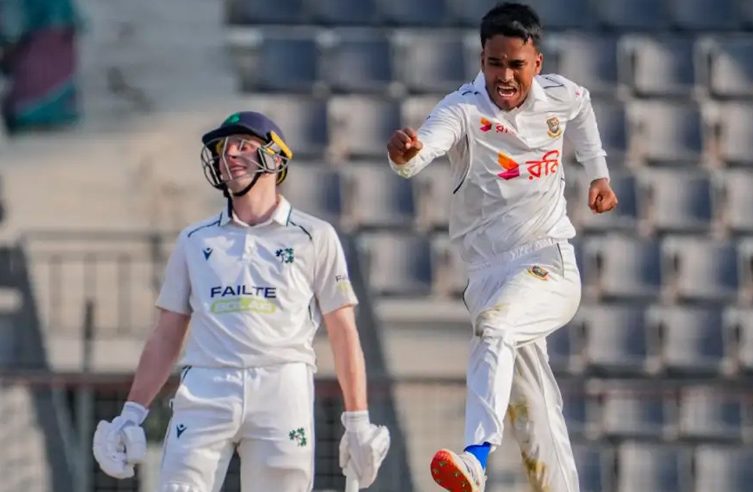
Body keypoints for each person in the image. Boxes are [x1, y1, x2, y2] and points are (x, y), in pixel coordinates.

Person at [92, 111, 390, 491]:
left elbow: (343, 331)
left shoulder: (315, 236)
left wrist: (358, 419)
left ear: (276, 159)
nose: (229, 154)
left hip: (282, 385)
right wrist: (131, 413)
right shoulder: (195, 239)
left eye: (243, 145)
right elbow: (167, 333)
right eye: (223, 148)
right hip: (206, 384)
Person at [386, 3, 618, 491]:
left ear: (537, 62)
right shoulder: (463, 110)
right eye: (495, 63)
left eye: (516, 65)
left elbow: (581, 108)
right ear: (482, 59)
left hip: (548, 261)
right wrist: (405, 156)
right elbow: (422, 149)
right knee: (535, 411)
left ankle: (476, 456)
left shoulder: (559, 94)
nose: (505, 77)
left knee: (496, 328)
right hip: (488, 277)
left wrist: (598, 174)